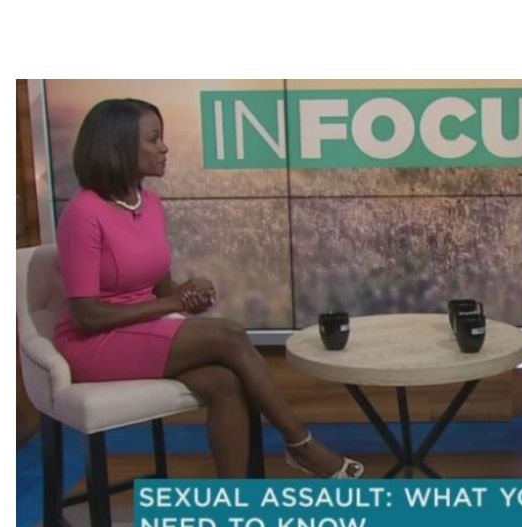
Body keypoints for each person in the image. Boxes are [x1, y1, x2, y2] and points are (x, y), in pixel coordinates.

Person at [52, 98, 362, 479]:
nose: (164, 147)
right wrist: (171, 302)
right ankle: (301, 444)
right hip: (93, 343)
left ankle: (233, 505)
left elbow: (159, 289)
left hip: (141, 330)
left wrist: (187, 294)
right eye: (153, 139)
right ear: (118, 145)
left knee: (225, 383)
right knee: (229, 334)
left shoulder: (150, 204)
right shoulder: (83, 212)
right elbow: (86, 315)